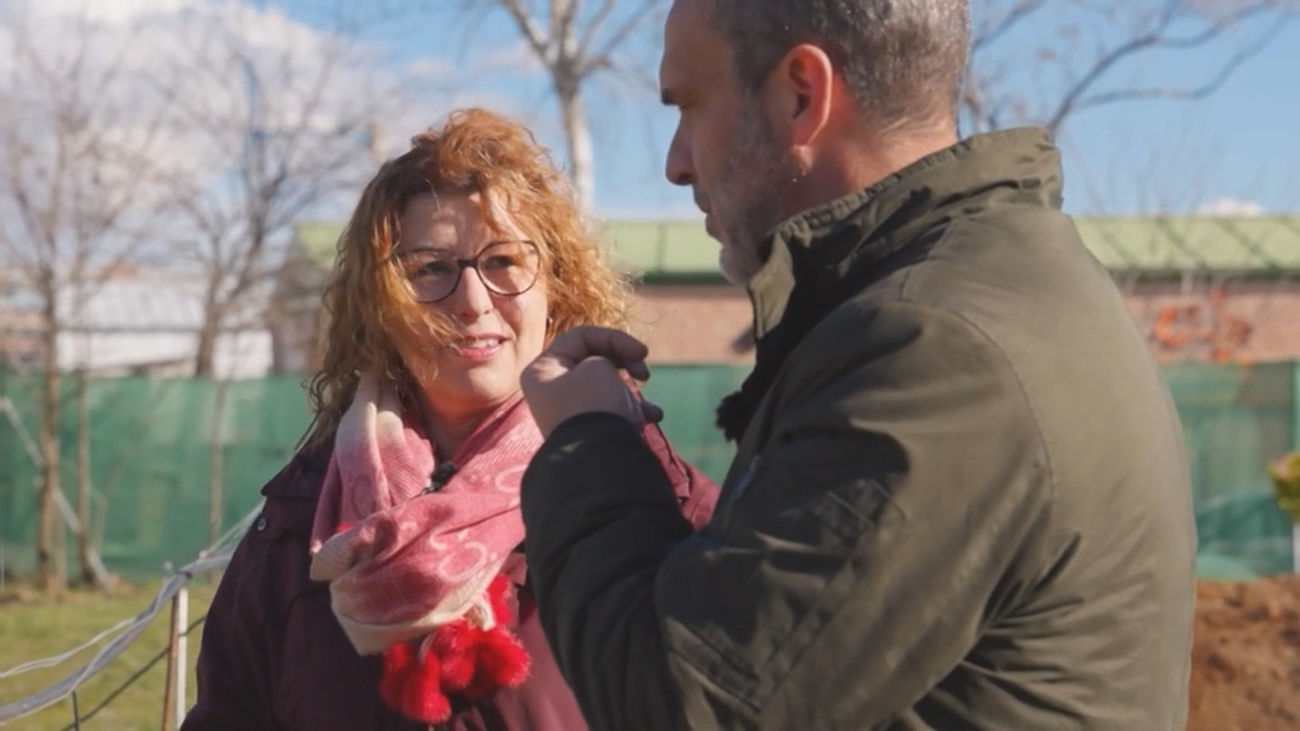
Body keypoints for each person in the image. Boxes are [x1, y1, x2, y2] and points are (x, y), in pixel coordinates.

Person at [517, 1, 1196, 729]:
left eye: (689, 105)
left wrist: (587, 442)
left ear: (800, 95)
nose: (676, 162)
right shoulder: (993, 291)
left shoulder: (937, 352)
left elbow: (682, 704)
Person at [183, 108, 718, 731]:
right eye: (430, 269)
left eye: (504, 262)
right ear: (381, 307)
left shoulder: (657, 504)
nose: (472, 301)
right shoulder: (301, 527)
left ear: (558, 288)